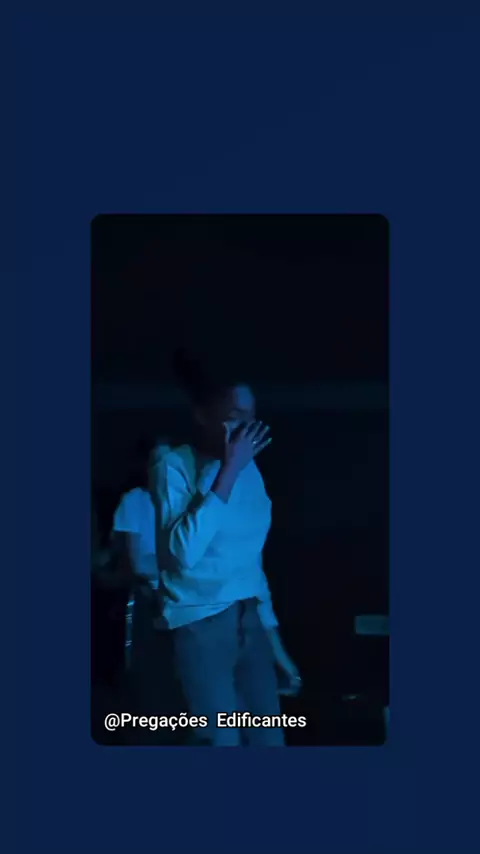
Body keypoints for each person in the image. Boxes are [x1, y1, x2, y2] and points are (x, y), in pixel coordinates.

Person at [150, 349, 301, 746]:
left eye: (252, 415)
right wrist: (228, 469)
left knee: (269, 742)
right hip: (199, 622)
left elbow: (251, 563)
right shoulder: (175, 466)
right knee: (220, 742)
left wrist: (276, 646)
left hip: (247, 618)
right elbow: (182, 554)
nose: (247, 428)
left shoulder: (251, 471)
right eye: (235, 415)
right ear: (203, 416)